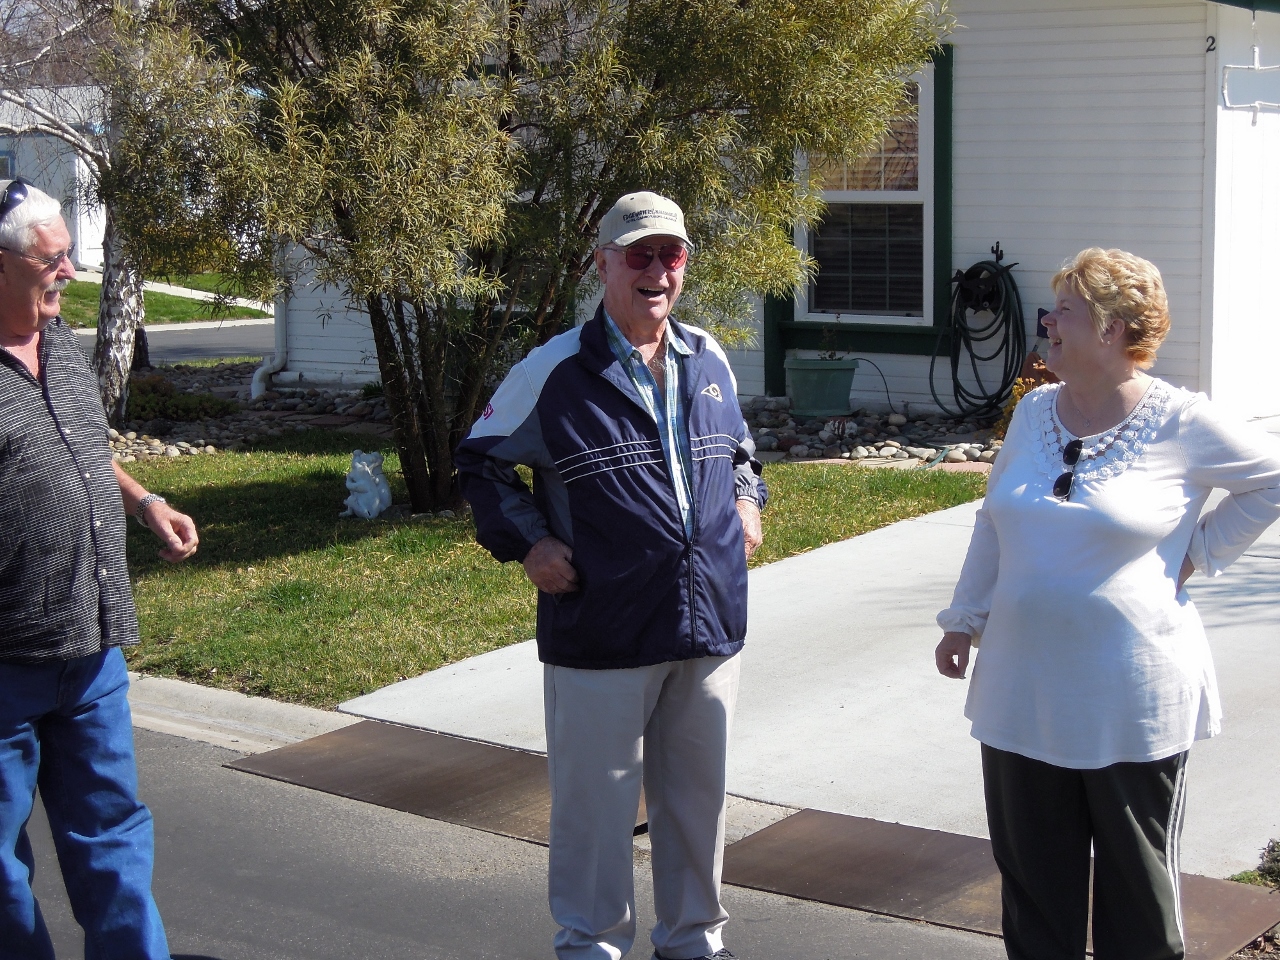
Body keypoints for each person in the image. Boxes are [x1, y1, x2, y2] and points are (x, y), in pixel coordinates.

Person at [934, 247, 1280, 960]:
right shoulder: (1033, 412)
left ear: (1115, 329)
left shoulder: (1181, 420)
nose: (1048, 323)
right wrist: (964, 619)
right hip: (1021, 688)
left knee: (1134, 894)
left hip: (1131, 696)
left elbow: (1272, 477)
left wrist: (1201, 551)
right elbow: (993, 521)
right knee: (1034, 893)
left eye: (1064, 310)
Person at [456, 191, 765, 960]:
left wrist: (749, 502)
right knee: (596, 814)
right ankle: (590, 947)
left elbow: (741, 453)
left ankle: (695, 941)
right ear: (603, 264)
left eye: (672, 254)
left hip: (708, 624)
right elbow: (481, 462)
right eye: (638, 255)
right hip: (602, 626)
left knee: (697, 806)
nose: (656, 271)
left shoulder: (708, 356)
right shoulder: (553, 371)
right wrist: (530, 545)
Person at [0, 178, 199, 959]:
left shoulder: (64, 352)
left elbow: (81, 449)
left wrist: (143, 499)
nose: (70, 273)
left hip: (92, 654)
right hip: (6, 665)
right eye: (54, 259)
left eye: (72, 257)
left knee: (112, 842)